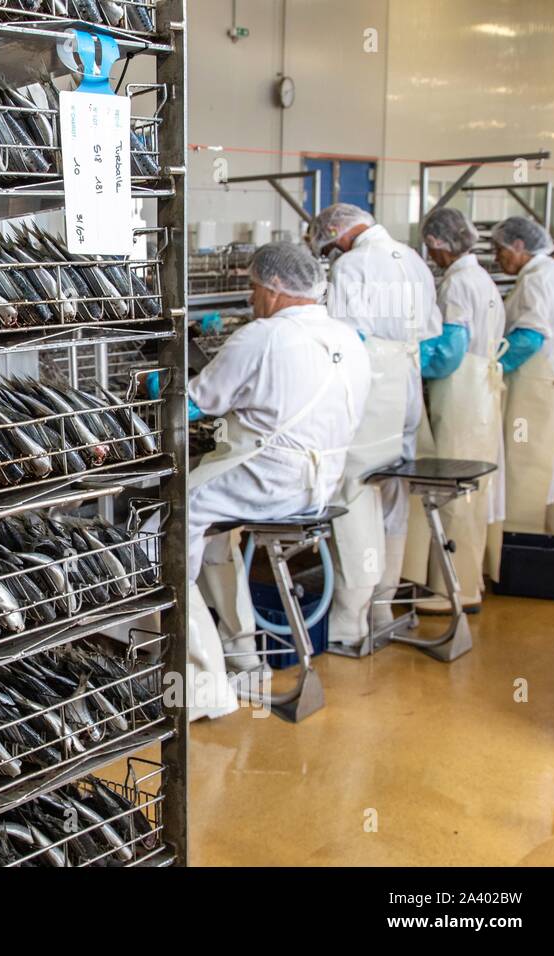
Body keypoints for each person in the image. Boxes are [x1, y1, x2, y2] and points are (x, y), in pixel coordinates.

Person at [178, 242, 371, 719]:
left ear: (277, 287)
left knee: (174, 518)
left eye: (253, 288)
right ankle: (243, 653)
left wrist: (155, 392)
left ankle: (203, 682)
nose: (251, 298)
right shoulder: (348, 338)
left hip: (269, 483)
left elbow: (198, 403)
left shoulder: (261, 338)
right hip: (319, 484)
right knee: (216, 537)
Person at [310, 203, 443, 647]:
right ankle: (385, 604)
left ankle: (351, 620)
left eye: (330, 246)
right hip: (407, 382)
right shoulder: (412, 258)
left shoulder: (352, 266)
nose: (332, 255)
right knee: (393, 488)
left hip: (371, 387)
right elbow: (431, 330)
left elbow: (343, 341)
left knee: (356, 489)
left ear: (337, 233)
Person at [405, 207, 505, 610]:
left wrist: (407, 361)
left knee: (451, 490)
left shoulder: (458, 284)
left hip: (462, 396)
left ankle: (452, 591)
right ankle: (466, 582)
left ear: (437, 244)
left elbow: (449, 352)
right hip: (480, 394)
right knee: (470, 493)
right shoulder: (480, 278)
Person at [492, 217, 554, 535]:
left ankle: (523, 549)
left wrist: (492, 368)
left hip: (537, 391)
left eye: (500, 250)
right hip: (553, 386)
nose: (498, 258)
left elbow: (530, 337)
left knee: (528, 470)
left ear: (519, 246)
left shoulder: (538, 279)